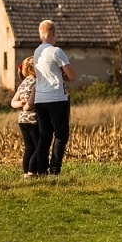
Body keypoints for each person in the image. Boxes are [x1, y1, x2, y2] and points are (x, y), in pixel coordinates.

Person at [31, 20, 77, 176]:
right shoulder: (56, 51)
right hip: (56, 98)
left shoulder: (36, 52)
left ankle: (41, 169)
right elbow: (72, 75)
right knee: (61, 135)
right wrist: (63, 75)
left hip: (40, 99)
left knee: (45, 136)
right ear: (52, 34)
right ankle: (55, 168)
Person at [8, 57, 39, 177]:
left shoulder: (23, 83)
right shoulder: (36, 83)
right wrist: (26, 106)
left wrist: (20, 103)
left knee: (29, 148)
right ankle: (32, 171)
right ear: (32, 69)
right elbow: (31, 103)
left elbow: (13, 102)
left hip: (22, 120)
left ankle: (25, 172)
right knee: (39, 146)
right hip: (33, 119)